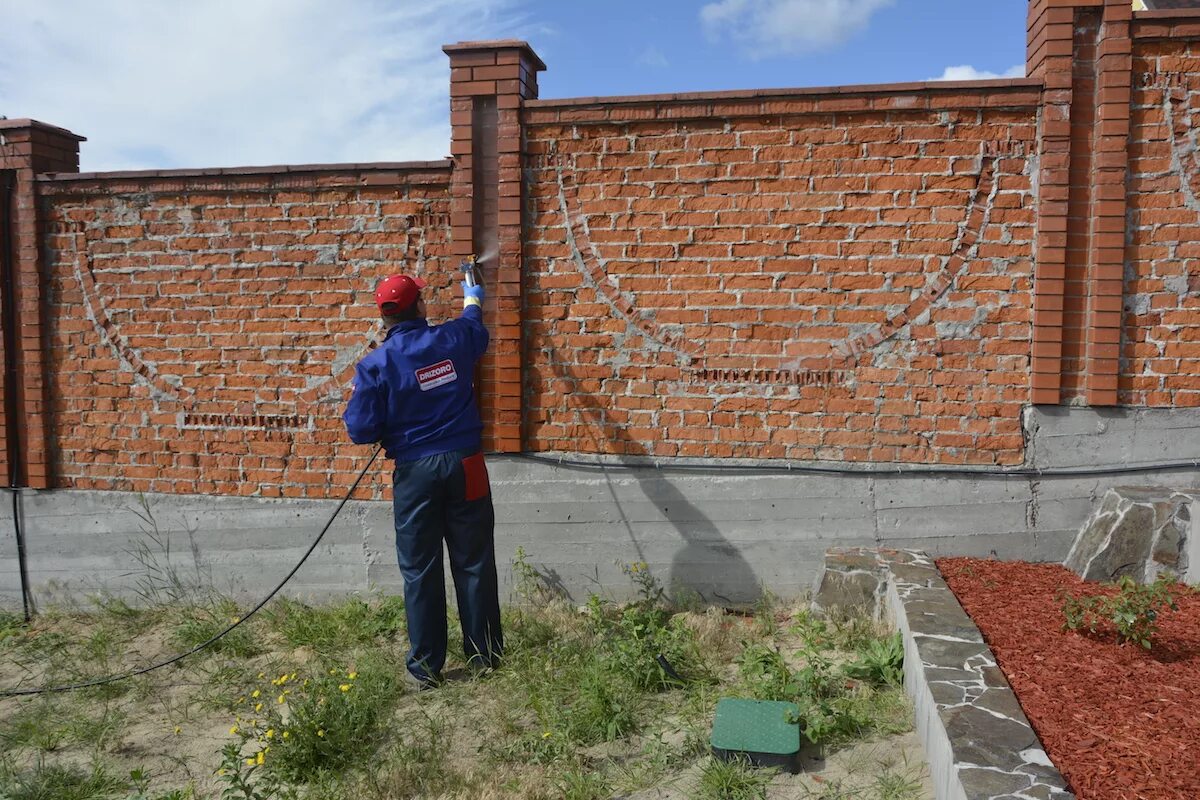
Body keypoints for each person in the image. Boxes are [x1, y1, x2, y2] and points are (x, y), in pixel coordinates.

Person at [342, 271, 500, 689]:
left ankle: (427, 671)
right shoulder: (450, 340)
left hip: (415, 476)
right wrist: (471, 296)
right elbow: (474, 330)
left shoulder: (375, 366)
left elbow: (360, 430)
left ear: (383, 316)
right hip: (466, 465)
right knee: (475, 561)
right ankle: (485, 657)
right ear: (421, 306)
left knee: (420, 569)